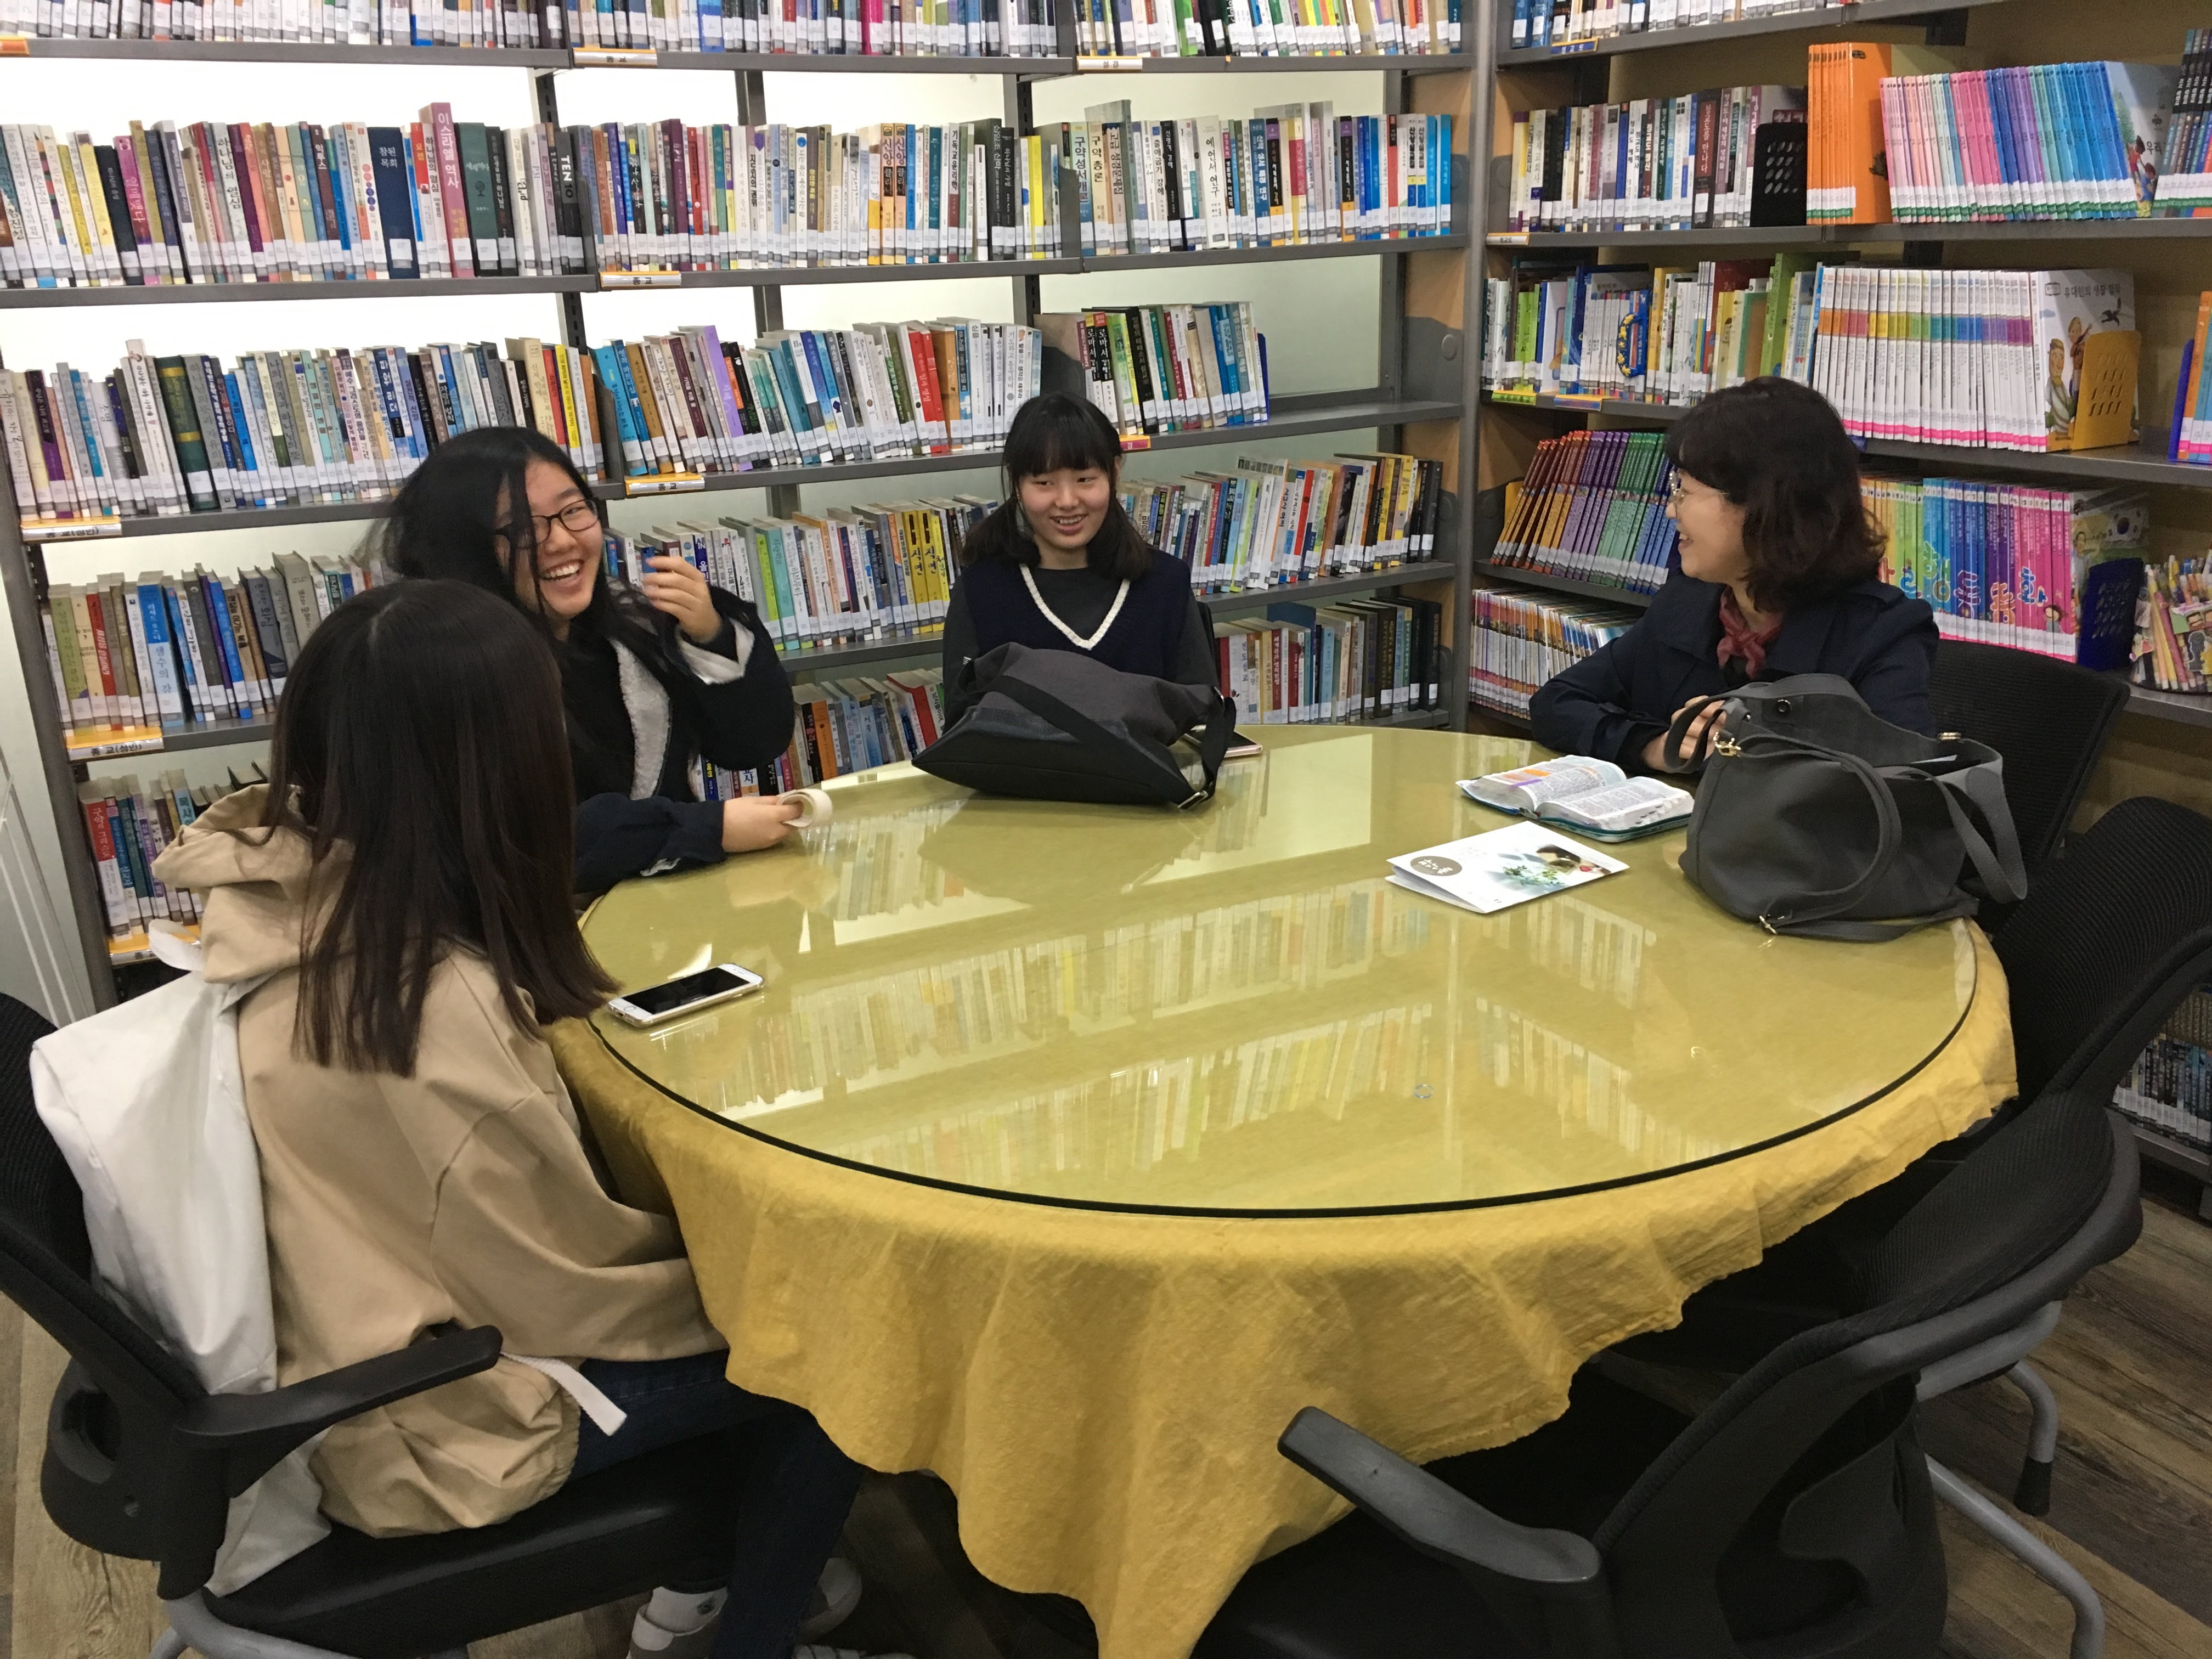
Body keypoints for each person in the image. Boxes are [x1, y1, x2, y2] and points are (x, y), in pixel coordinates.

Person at [151, 582, 888, 1659]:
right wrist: (764, 1263)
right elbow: (568, 1291)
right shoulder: (428, 1014)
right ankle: (747, 1637)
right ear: (498, 763)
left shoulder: (295, 892)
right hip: (444, 1421)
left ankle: (699, 1588)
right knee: (849, 1348)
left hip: (351, 1341)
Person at [381, 426, 802, 891]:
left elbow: (752, 745)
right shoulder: (439, 672)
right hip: (528, 926)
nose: (562, 541)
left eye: (574, 510)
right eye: (523, 528)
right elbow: (525, 839)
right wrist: (707, 829)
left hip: (662, 909)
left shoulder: (629, 632)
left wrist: (713, 637)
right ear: (466, 549)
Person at [1530, 377, 1939, 771]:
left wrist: (1755, 746)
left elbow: (1904, 785)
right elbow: (1557, 702)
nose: (1671, 509)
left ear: (1764, 504)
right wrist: (1653, 746)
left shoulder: (1881, 632)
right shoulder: (1690, 602)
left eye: (1685, 490)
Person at [940, 393, 1217, 723]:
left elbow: (1201, 717)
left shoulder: (1165, 582)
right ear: (1017, 484)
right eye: (1044, 483)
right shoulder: (981, 591)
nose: (1067, 501)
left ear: (1114, 472)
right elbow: (962, 727)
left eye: (1085, 479)